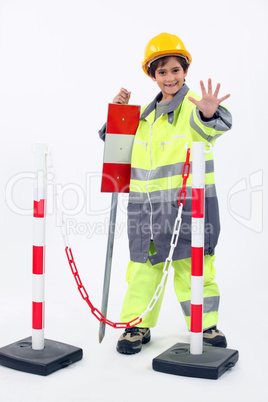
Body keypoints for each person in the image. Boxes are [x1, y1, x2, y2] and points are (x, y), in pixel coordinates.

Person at [99, 33, 232, 354]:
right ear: (152, 75)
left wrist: (210, 113)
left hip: (191, 208)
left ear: (185, 71)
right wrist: (117, 115)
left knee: (194, 267)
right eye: (162, 72)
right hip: (147, 210)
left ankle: (205, 324)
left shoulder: (194, 107)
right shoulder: (142, 116)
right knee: (144, 269)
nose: (169, 77)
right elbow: (114, 143)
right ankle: (136, 325)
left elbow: (212, 127)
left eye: (175, 70)